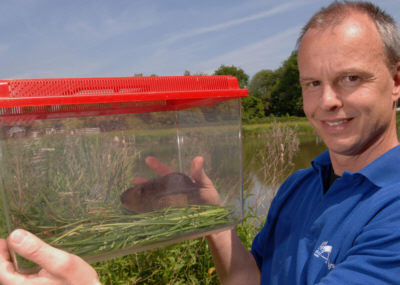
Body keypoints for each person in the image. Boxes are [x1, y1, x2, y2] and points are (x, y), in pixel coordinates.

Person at [1, 1, 400, 284]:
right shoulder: (299, 186)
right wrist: (211, 218)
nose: (328, 101)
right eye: (313, 83)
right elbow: (248, 279)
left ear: (396, 82)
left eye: (351, 78)